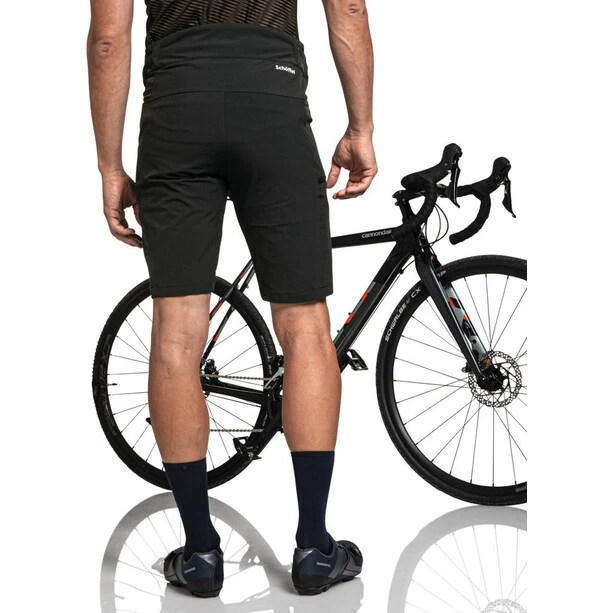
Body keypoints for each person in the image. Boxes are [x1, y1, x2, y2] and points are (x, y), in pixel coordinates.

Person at [87, 0, 377, 598]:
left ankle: (199, 554)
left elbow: (109, 39)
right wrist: (360, 128)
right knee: (305, 327)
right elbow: (348, 8)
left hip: (176, 110)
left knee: (176, 333)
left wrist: (110, 167)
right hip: (272, 100)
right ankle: (314, 549)